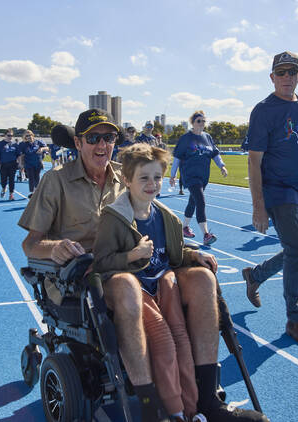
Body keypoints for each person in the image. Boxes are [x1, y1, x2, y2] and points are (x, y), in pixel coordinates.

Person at [19, 108, 267, 422]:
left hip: (141, 265)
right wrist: (55, 247)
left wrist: (191, 254)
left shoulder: (127, 174)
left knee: (202, 279)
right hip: (83, 277)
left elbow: (155, 226)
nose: (102, 144)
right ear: (78, 142)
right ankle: (151, 408)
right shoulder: (56, 181)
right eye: (93, 137)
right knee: (126, 285)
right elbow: (30, 244)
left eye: (108, 137)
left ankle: (206, 401)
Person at [93, 143, 203, 422]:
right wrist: (131, 255)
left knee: (182, 341)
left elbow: (173, 256)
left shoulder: (167, 218)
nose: (152, 184)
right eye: (144, 178)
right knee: (164, 342)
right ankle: (173, 412)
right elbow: (101, 262)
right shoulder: (114, 218)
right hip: (135, 289)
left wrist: (194, 255)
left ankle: (192, 410)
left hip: (163, 285)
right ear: (127, 180)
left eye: (157, 177)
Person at [242, 51, 298, 345]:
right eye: (281, 72)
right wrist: (259, 207)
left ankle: (256, 276)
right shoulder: (263, 110)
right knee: (297, 251)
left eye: (292, 72)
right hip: (278, 191)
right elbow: (253, 161)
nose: (287, 77)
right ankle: (295, 319)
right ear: (272, 77)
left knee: (297, 252)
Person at [170, 111, 228, 245]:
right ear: (193, 123)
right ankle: (206, 235)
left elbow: (215, 154)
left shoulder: (207, 137)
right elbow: (177, 157)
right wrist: (173, 175)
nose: (202, 124)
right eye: (199, 121)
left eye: (203, 121)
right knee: (201, 202)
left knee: (193, 202)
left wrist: (222, 166)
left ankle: (184, 227)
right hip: (190, 175)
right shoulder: (186, 138)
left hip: (203, 176)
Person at [18, 130, 48, 196]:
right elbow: (21, 155)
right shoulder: (23, 144)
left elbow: (47, 148)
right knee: (31, 177)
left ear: (33, 135)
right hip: (28, 163)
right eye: (27, 136)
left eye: (30, 135)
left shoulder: (38, 142)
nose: (29, 137)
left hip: (38, 163)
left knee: (37, 177)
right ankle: (32, 192)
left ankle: (37, 191)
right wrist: (21, 163)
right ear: (25, 137)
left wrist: (42, 149)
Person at [0, 130, 22, 200]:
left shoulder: (15, 144)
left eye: (11, 136)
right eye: (8, 135)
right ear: (5, 135)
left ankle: (11, 194)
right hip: (3, 164)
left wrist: (20, 163)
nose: (10, 137)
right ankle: (4, 188)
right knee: (3, 180)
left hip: (13, 164)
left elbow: (19, 155)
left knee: (12, 180)